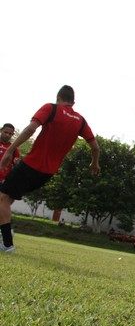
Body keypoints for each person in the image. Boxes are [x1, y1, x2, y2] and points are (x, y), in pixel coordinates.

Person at [0, 86, 100, 253]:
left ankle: (7, 244)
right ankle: (4, 233)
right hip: (47, 174)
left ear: (58, 97)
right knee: (7, 199)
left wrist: (10, 150)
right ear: (73, 102)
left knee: (2, 197)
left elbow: (31, 129)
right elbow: (95, 147)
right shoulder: (80, 121)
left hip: (31, 164)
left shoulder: (51, 108)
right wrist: (94, 163)